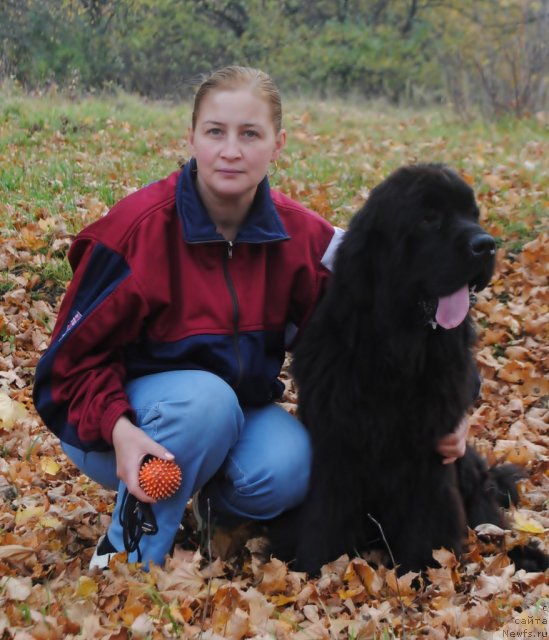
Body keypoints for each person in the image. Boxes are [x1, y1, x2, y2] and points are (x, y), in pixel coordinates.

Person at [33, 66, 469, 570]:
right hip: (115, 425)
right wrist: (118, 428)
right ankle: (127, 554)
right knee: (205, 404)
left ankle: (205, 504)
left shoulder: (306, 239)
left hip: (231, 416)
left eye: (250, 134)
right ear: (191, 137)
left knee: (295, 466)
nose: (231, 150)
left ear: (277, 144)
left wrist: (456, 406)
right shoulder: (135, 233)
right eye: (215, 132)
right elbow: (63, 372)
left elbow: (388, 324)